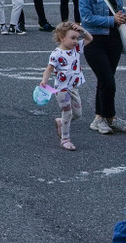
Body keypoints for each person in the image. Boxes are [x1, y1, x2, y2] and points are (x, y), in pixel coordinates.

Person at [78, 0, 126, 135]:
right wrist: (112, 20)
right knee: (108, 81)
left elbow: (119, 9)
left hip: (114, 39)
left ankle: (101, 118)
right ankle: (108, 116)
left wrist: (121, 17)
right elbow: (86, 18)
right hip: (94, 40)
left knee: (105, 80)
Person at [38, 21, 93, 151]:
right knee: (67, 113)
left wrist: (82, 30)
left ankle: (61, 122)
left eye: (77, 38)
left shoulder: (76, 49)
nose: (75, 41)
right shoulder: (56, 54)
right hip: (61, 89)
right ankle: (65, 139)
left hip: (73, 88)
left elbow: (90, 38)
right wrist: (44, 81)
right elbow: (49, 69)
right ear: (62, 38)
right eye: (72, 38)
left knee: (78, 114)